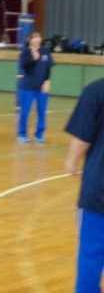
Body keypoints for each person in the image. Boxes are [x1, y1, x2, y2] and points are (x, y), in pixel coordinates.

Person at [64, 79, 104, 292]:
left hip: (99, 190)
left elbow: (82, 139)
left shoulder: (96, 91)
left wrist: (72, 160)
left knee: (91, 253)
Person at [17, 30, 54, 142]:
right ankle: (22, 134)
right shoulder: (24, 53)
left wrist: (47, 81)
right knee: (24, 112)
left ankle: (39, 134)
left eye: (39, 37)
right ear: (29, 40)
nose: (38, 39)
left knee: (42, 112)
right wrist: (33, 58)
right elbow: (24, 66)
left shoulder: (46, 51)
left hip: (42, 88)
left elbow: (48, 68)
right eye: (35, 37)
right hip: (28, 87)